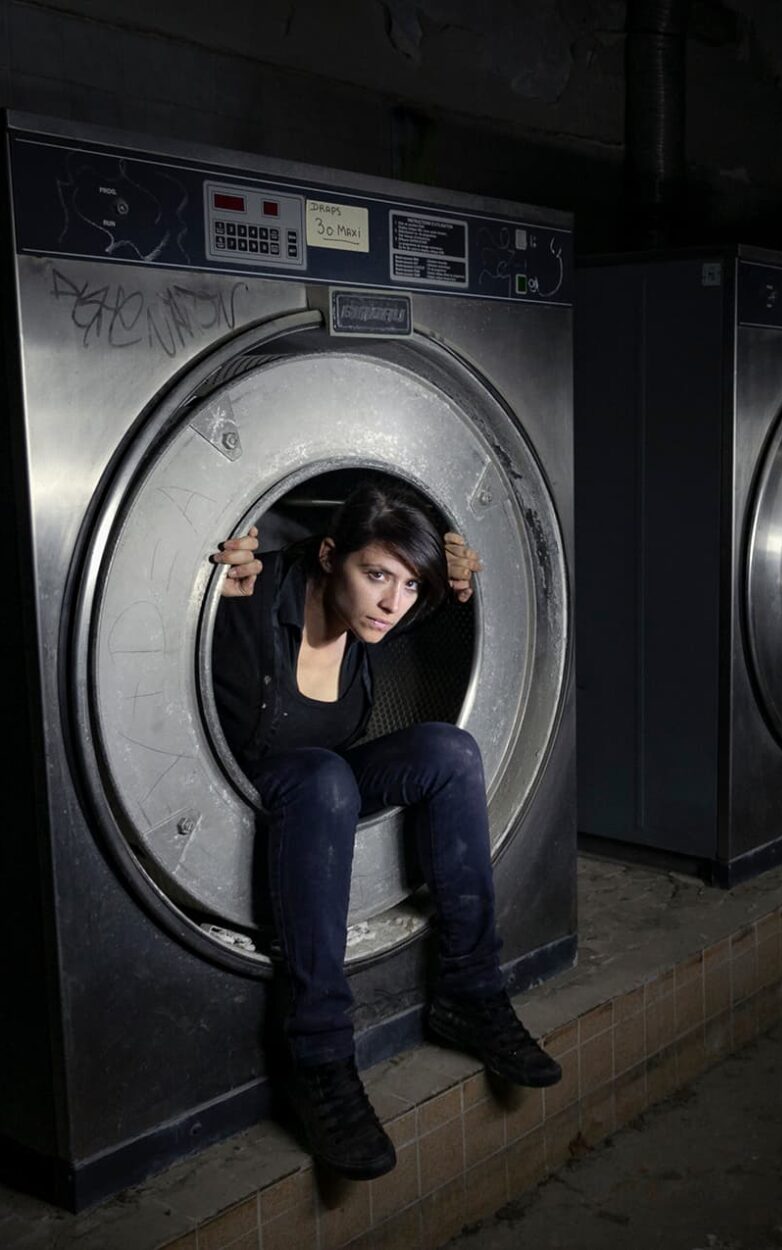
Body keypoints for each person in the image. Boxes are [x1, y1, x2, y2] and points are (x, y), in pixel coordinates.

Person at [209, 478, 560, 1181]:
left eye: (407, 585)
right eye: (376, 576)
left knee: (447, 752)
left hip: (324, 791)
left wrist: (457, 570)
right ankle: (319, 1055)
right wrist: (200, 574)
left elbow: (429, 599)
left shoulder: (382, 614)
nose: (392, 604)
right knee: (323, 776)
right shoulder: (250, 598)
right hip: (243, 790)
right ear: (330, 555)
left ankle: (470, 990)